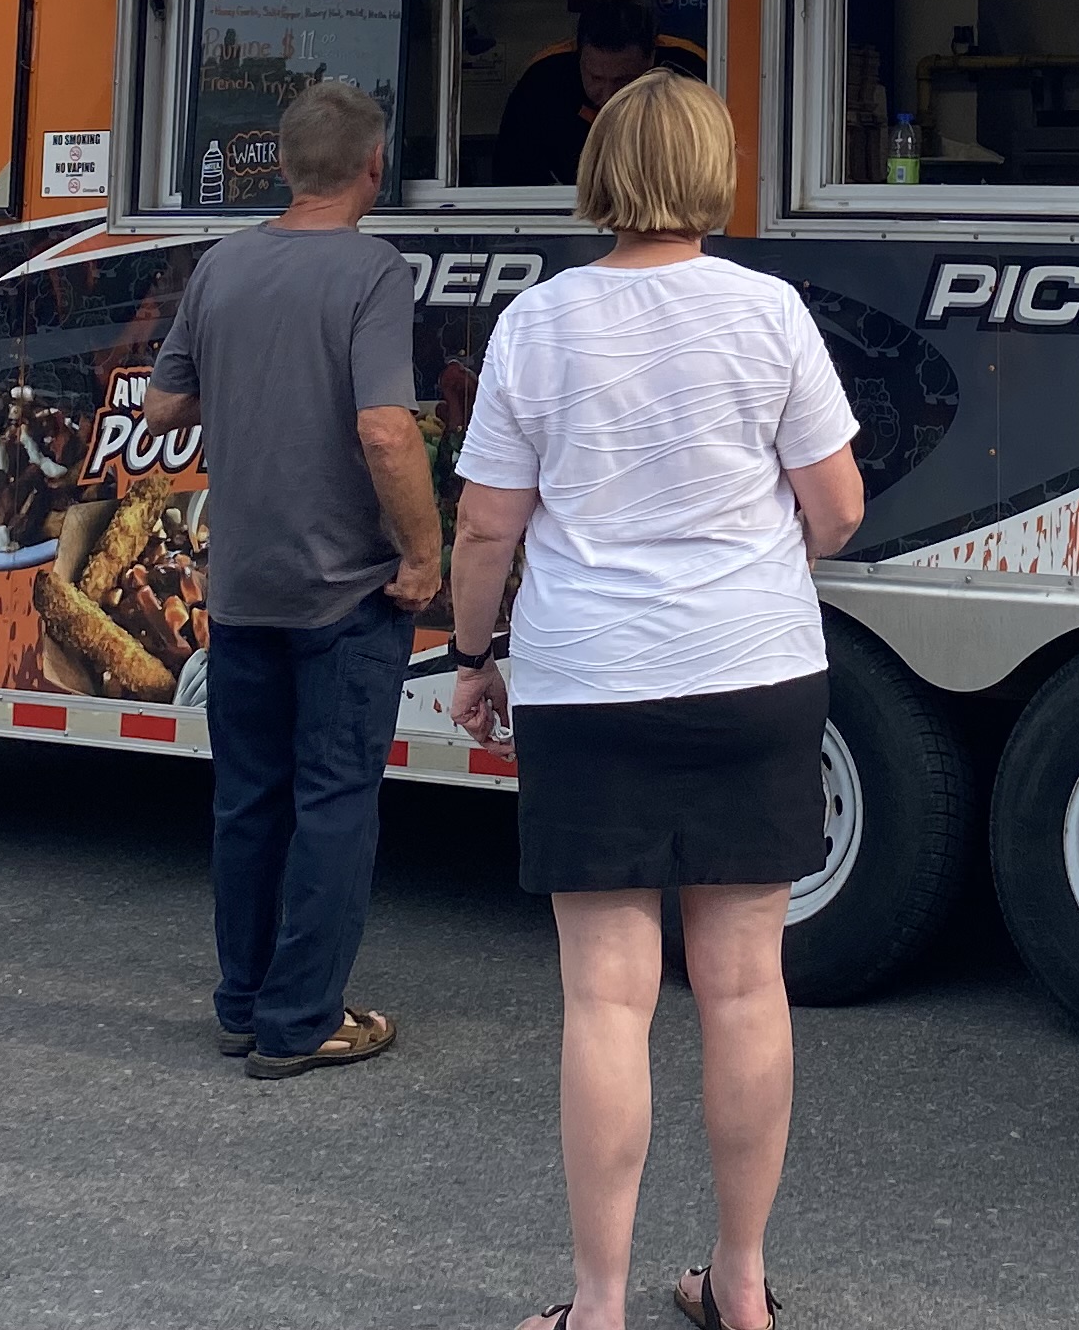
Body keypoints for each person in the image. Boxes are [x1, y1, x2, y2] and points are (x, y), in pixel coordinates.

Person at [446, 73, 865, 1330]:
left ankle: (599, 1305)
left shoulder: (541, 322)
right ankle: (739, 1288)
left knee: (606, 1001)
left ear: (599, 173)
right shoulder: (770, 311)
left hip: (592, 686)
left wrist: (475, 654)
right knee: (746, 988)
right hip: (757, 673)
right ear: (714, 172)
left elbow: (484, 523)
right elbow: (838, 507)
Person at [133, 77, 439, 1076]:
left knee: (248, 797)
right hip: (345, 588)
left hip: (242, 581)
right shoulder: (373, 272)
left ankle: (243, 1001)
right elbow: (386, 432)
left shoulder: (222, 267)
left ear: (281, 161)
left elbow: (165, 409)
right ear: (372, 167)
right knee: (335, 799)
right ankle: (304, 1018)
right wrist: (425, 554)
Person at [487, 0, 707, 185]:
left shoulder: (690, 73)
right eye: (596, 78)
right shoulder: (543, 81)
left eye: (624, 80)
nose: (609, 94)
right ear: (578, 54)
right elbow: (511, 179)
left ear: (652, 57)